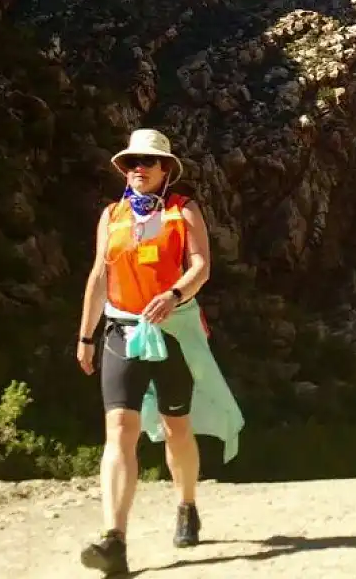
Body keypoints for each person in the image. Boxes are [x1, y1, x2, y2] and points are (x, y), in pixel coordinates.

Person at [75, 129, 244, 576]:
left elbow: (201, 266)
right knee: (120, 428)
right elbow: (98, 275)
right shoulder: (111, 215)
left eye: (148, 162)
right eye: (131, 162)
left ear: (166, 169)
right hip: (121, 331)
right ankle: (115, 539)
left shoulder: (183, 210)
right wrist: (85, 335)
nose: (138, 169)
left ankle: (187, 504)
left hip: (173, 332)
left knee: (176, 428)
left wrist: (173, 294)